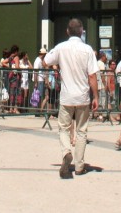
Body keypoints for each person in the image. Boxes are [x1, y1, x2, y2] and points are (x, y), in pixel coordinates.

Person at [43, 18, 98, 179]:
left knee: (63, 128)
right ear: (82, 32)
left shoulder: (61, 47)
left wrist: (58, 60)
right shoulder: (87, 49)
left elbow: (45, 61)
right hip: (82, 96)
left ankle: (66, 151)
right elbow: (92, 75)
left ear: (67, 31)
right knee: (81, 131)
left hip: (66, 96)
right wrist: (95, 96)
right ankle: (80, 166)